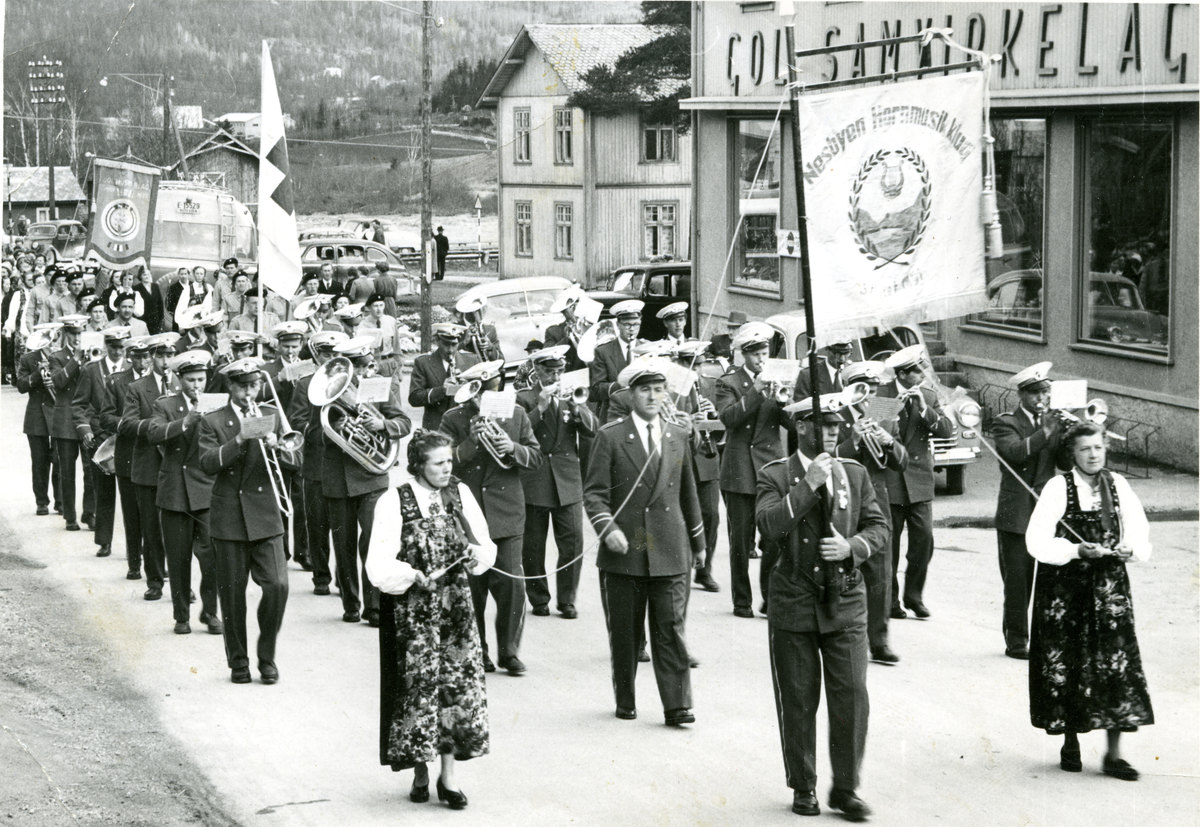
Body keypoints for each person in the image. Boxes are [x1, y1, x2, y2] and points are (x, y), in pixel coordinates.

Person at [756, 392, 889, 820]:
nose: (835, 430)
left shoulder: (854, 472)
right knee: (797, 698)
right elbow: (770, 526)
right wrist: (808, 484)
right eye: (824, 424)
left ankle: (846, 788)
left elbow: (879, 526)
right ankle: (804, 784)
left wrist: (851, 547)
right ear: (801, 427)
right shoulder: (776, 474)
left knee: (851, 696)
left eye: (837, 424)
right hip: (794, 600)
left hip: (846, 600)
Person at [366, 430, 495, 809]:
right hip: (414, 615)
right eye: (438, 463)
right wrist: (410, 574)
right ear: (418, 465)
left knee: (455, 691)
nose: (446, 469)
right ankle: (420, 769)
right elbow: (378, 564)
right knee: (418, 691)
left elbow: (485, 544)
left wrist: (475, 555)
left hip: (455, 611)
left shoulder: (460, 493)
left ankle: (448, 776)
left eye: (449, 461)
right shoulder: (394, 501)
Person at [1025, 421, 1153, 781]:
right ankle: (1070, 740)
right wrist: (1075, 549)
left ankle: (1113, 754)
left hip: (1108, 588)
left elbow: (1138, 528)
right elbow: (1036, 541)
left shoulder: (1119, 485)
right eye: (1085, 449)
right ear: (1073, 454)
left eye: (1097, 447)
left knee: (1116, 662)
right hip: (1066, 590)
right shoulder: (1057, 488)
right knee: (1068, 661)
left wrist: (1131, 547)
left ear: (1105, 449)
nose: (1093, 454)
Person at [582, 358, 706, 724]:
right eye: (644, 390)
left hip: (669, 547)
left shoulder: (677, 435)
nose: (653, 396)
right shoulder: (610, 435)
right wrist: (609, 529)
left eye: (658, 389)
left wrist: (698, 544)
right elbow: (594, 494)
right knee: (625, 632)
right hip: (626, 549)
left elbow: (689, 494)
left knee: (671, 629)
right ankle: (626, 697)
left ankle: (677, 704)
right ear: (630, 395)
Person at [198, 358, 299, 685]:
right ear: (230, 386)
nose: (249, 392)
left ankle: (266, 655)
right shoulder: (213, 420)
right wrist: (239, 440)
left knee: (278, 586)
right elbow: (207, 463)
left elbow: (296, 459)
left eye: (254, 385)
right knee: (232, 595)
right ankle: (238, 662)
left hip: (267, 515)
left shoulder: (272, 414)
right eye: (242, 386)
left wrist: (278, 448)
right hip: (229, 518)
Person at [439, 360, 542, 675]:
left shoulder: (518, 414)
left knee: (512, 586)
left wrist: (510, 447)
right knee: (473, 588)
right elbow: (443, 463)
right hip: (468, 515)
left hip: (507, 512)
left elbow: (535, 458)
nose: (487, 395)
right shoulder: (453, 417)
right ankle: (477, 650)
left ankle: (508, 651)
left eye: (494, 388)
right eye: (480, 390)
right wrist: (471, 441)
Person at [322, 335, 413, 627]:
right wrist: (335, 428)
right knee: (344, 545)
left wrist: (381, 424)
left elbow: (404, 423)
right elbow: (308, 434)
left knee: (374, 542)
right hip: (338, 479)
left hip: (372, 477)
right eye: (357, 368)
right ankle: (351, 603)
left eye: (366, 366)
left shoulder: (378, 387)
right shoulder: (325, 393)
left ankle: (374, 606)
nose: (362, 374)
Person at [834, 360, 909, 664]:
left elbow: (902, 463)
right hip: (842, 500)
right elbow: (828, 455)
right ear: (849, 390)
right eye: (863, 392)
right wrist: (853, 438)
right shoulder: (835, 413)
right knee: (841, 570)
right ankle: (841, 634)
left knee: (880, 572)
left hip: (876, 501)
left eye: (875, 392)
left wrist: (888, 441)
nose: (869, 399)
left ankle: (879, 640)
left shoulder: (884, 413)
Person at [515, 346, 598, 619]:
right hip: (535, 478)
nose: (555, 376)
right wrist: (539, 407)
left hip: (567, 480)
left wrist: (577, 409)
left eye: (559, 371)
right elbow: (515, 432)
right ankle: (538, 598)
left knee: (572, 543)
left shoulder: (571, 394)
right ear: (537, 370)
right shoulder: (524, 398)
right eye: (550, 371)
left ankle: (567, 599)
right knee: (533, 546)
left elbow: (592, 430)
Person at [147, 351, 222, 636]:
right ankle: (182, 616)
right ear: (179, 380)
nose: (196, 385)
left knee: (212, 558)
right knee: (178, 560)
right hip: (176, 493)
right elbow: (153, 434)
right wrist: (186, 421)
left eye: (201, 379)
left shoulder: (217, 404)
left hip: (207, 492)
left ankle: (211, 612)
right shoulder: (165, 404)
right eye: (190, 380)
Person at [716, 321, 787, 618]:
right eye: (756, 354)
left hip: (770, 469)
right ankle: (741, 600)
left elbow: (792, 426)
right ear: (744, 355)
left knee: (773, 539)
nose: (761, 360)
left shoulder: (776, 380)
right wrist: (756, 391)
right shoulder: (728, 382)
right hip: (740, 471)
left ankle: (770, 598)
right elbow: (729, 419)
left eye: (765, 353)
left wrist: (786, 403)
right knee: (740, 541)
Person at [993, 361, 1063, 659]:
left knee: (1048, 578)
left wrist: (1071, 437)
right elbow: (1013, 453)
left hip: (1046, 510)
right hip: (1017, 510)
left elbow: (1067, 465)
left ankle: (1043, 637)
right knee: (1018, 581)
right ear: (1021, 394)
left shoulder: (1053, 421)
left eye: (1045, 392)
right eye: (1035, 393)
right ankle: (1017, 640)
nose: (1041, 399)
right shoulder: (1005, 422)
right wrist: (1044, 433)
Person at [879, 345, 952, 619]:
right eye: (917, 371)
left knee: (924, 541)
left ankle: (914, 596)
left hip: (919, 480)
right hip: (893, 479)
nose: (923, 374)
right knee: (890, 545)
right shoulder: (884, 393)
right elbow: (879, 430)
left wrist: (924, 409)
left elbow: (946, 430)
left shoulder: (929, 396)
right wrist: (897, 402)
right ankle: (891, 601)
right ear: (902, 373)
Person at [120, 332, 183, 600]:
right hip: (148, 466)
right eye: (161, 356)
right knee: (151, 527)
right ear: (151, 358)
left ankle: (183, 584)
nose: (166, 361)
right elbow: (126, 424)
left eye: (170, 355)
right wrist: (156, 426)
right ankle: (155, 582)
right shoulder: (137, 387)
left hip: (179, 466)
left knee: (180, 531)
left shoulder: (185, 383)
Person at [287, 330, 348, 596]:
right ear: (316, 355)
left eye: (336, 355)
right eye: (326, 354)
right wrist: (328, 432)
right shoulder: (305, 384)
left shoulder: (349, 383)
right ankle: (321, 577)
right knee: (318, 524)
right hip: (317, 464)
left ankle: (345, 580)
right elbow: (297, 422)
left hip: (346, 465)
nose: (331, 359)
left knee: (343, 529)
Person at [70, 325, 130, 558]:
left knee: (130, 497)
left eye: (121, 347)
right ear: (106, 346)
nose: (117, 352)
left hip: (125, 439)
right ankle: (104, 541)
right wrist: (85, 430)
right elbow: (79, 405)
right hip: (100, 439)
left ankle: (133, 546)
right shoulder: (92, 370)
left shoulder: (130, 370)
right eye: (113, 347)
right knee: (104, 494)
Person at [101, 335, 151, 580]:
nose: (142, 361)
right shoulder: (117, 381)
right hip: (129, 453)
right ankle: (134, 563)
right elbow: (105, 417)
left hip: (153, 454)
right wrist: (129, 424)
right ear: (129, 357)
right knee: (132, 514)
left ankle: (157, 563)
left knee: (154, 514)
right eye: (137, 356)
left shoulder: (160, 383)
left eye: (145, 356)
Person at [49, 314, 94, 532]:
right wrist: (75, 359)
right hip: (65, 419)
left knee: (91, 469)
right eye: (74, 334)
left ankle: (89, 513)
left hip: (86, 417)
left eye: (80, 333)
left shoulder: (93, 354)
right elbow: (58, 382)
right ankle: (70, 516)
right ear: (66, 334)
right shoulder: (57, 356)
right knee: (66, 471)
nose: (77, 338)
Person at [17, 326, 63, 516]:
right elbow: (20, 386)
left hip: (58, 415)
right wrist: (37, 374)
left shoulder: (61, 358)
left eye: (54, 338)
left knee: (60, 461)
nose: (52, 343)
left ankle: (61, 501)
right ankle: (41, 501)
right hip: (36, 417)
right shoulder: (28, 359)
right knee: (39, 462)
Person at [408, 323, 480, 430]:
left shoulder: (471, 360)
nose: (450, 350)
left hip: (465, 426)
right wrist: (441, 390)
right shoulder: (423, 362)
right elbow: (414, 398)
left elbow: (485, 393)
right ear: (437, 341)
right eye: (446, 344)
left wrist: (470, 388)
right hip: (436, 427)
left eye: (454, 344)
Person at [589, 300, 643, 424]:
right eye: (627, 325)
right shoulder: (603, 351)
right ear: (618, 324)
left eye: (636, 324)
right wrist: (619, 386)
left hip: (641, 414)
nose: (632, 329)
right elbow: (596, 390)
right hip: (614, 416)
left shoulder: (647, 348)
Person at [167, 265, 213, 332]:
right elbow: (181, 307)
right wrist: (181, 325)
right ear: (194, 275)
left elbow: (213, 304)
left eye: (201, 274)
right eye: (197, 273)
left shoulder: (209, 288)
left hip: (206, 320)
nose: (199, 276)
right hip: (192, 321)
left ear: (204, 275)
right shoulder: (188, 289)